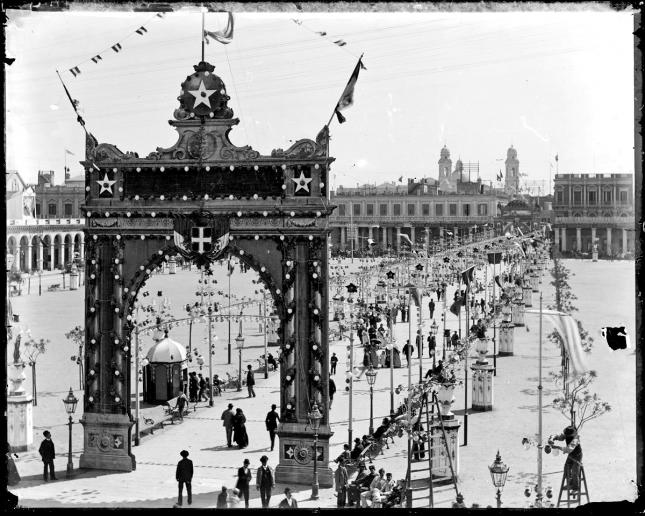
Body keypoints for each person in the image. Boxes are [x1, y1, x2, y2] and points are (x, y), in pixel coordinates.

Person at [551, 426, 583, 494]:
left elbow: (568, 449)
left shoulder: (575, 440)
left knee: (575, 471)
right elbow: (560, 437)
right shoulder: (567, 435)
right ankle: (570, 483)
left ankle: (575, 488)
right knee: (566, 468)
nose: (566, 436)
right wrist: (554, 438)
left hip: (577, 456)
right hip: (571, 455)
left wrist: (557, 447)